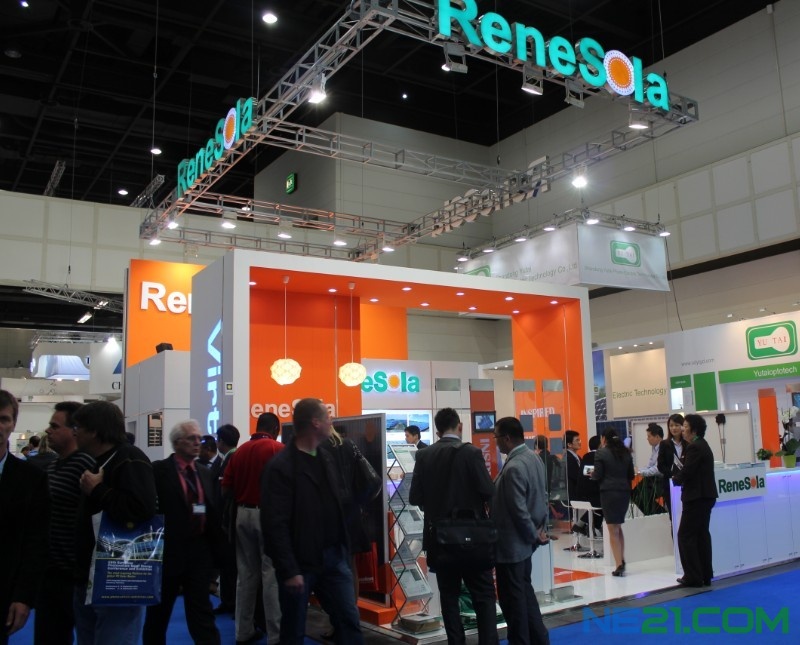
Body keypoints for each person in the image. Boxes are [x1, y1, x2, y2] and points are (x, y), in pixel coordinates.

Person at [262, 398, 365, 645]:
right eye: (328, 417)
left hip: (334, 557)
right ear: (316, 422)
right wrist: (289, 570)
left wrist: (342, 547)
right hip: (301, 562)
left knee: (349, 621)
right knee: (294, 630)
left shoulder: (326, 457)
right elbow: (274, 524)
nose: (332, 421)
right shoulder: (281, 467)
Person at [409, 407, 497, 645]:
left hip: (440, 540)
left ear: (437, 431)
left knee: (449, 597)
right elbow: (488, 490)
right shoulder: (471, 453)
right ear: (460, 426)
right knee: (483, 595)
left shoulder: (424, 455)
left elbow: (415, 497)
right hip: (473, 538)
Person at [72, 400, 157, 645]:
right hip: (91, 573)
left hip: (119, 576)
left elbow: (142, 508)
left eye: (79, 427)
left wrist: (99, 491)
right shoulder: (97, 460)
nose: (75, 432)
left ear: (94, 431)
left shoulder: (130, 458)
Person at [143, 420, 227, 645]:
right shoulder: (159, 471)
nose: (197, 443)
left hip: (199, 552)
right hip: (168, 553)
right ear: (178, 442)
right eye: (192, 438)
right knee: (158, 615)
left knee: (202, 613)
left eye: (199, 438)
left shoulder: (204, 473)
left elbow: (211, 512)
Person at [35, 401, 95, 645]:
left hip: (75, 574)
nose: (48, 430)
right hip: (51, 571)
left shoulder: (85, 465)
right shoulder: (53, 466)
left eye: (55, 426)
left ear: (74, 430)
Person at [222, 412, 284, 644]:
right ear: (275, 429)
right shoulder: (277, 449)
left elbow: (226, 488)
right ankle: (276, 635)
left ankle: (243, 631)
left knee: (245, 575)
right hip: (268, 516)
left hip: (242, 514)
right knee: (271, 575)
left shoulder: (239, 452)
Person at [491, 416, 550, 645]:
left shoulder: (515, 466)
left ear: (506, 438)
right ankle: (539, 639)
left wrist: (533, 535)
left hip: (512, 547)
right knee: (524, 596)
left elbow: (518, 510)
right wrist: (538, 531)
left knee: (513, 603)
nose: (495, 442)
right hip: (524, 545)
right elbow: (541, 498)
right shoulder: (533, 458)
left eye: (496, 437)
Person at [0, 389, 49, 645]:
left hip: (5, 591)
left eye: (4, 419)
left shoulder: (31, 479)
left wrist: (24, 596)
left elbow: (36, 541)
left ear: (13, 424)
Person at [672, 414, 718, 588]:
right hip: (705, 497)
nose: (682, 429)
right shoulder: (703, 445)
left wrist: (675, 479)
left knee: (686, 536)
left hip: (696, 497)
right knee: (701, 535)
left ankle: (692, 576)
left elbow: (688, 471)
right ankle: (705, 575)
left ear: (694, 430)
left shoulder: (694, 447)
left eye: (685, 426)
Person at [592, 428, 634, 577]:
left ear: (604, 438)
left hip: (608, 493)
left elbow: (598, 474)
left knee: (612, 530)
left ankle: (618, 565)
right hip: (624, 492)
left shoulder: (601, 453)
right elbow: (631, 475)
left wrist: (592, 474)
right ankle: (621, 559)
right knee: (618, 527)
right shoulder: (626, 453)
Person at [214, 423, 241, 616]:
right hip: (229, 519)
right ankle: (228, 600)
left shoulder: (232, 459)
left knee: (231, 564)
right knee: (228, 564)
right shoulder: (230, 458)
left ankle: (231, 602)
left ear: (221, 441)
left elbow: (226, 492)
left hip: (229, 520)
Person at [657, 413, 687, 518]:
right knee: (674, 516)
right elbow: (660, 465)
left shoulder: (688, 443)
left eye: (676, 425)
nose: (673, 428)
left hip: (686, 484)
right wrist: (672, 475)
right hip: (670, 484)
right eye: (671, 425)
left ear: (682, 426)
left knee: (686, 515)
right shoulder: (664, 444)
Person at [632, 423, 665, 515]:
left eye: (649, 436)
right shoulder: (655, 448)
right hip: (653, 478)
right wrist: (638, 470)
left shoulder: (663, 448)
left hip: (661, 480)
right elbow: (650, 466)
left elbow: (658, 468)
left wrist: (640, 472)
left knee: (643, 495)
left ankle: (660, 514)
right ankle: (655, 513)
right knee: (634, 493)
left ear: (657, 437)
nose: (647, 438)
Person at [575, 435, 603, 536]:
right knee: (604, 503)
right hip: (594, 492)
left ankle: (588, 526)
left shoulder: (586, 456)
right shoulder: (599, 457)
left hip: (583, 491)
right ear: (600, 445)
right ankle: (586, 525)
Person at [564, 430, 585, 534]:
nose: (579, 442)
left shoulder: (578, 458)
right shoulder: (567, 458)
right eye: (577, 440)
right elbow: (576, 476)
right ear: (569, 444)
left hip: (579, 492)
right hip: (573, 493)